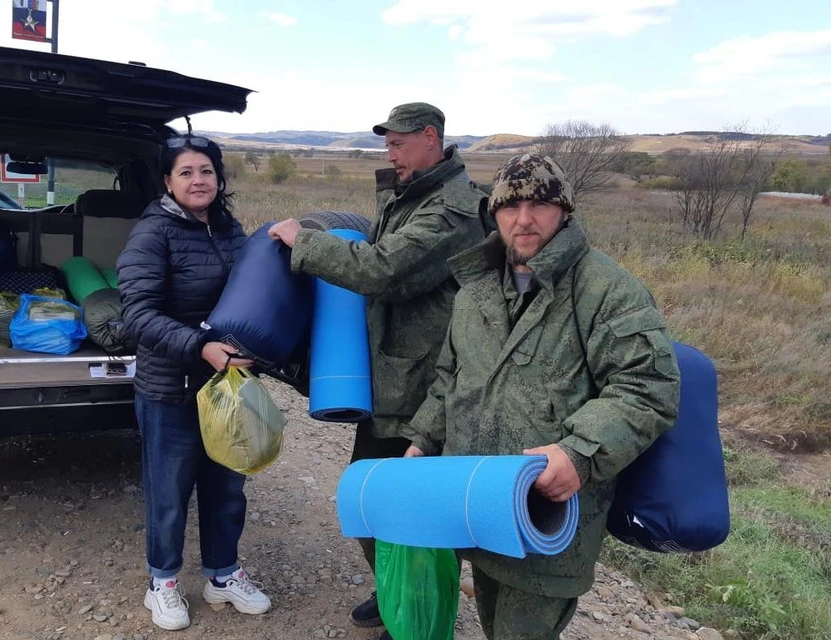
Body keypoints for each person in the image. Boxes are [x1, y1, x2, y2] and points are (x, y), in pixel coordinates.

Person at [402, 154, 681, 640]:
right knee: (492, 618)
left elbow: (648, 388)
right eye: (510, 206)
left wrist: (579, 452)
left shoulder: (606, 290)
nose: (524, 219)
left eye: (539, 204)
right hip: (479, 499)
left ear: (565, 210)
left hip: (549, 514)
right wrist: (424, 438)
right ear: (494, 213)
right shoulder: (477, 291)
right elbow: (451, 376)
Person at [268, 102, 489, 636]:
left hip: (425, 386)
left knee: (416, 509)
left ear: (431, 139)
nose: (389, 153)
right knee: (370, 499)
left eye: (398, 144)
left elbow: (385, 270)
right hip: (390, 376)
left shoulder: (456, 209)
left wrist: (305, 240)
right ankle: (395, 590)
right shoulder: (411, 192)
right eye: (386, 144)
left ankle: (417, 615)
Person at [117, 134, 271, 632]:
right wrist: (198, 345)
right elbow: (138, 315)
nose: (198, 180)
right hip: (170, 388)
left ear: (219, 178)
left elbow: (256, 292)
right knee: (170, 491)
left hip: (226, 385)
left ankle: (222, 574)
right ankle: (161, 583)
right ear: (168, 181)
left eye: (206, 171)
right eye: (186, 172)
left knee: (227, 484)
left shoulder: (230, 229)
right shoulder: (152, 234)